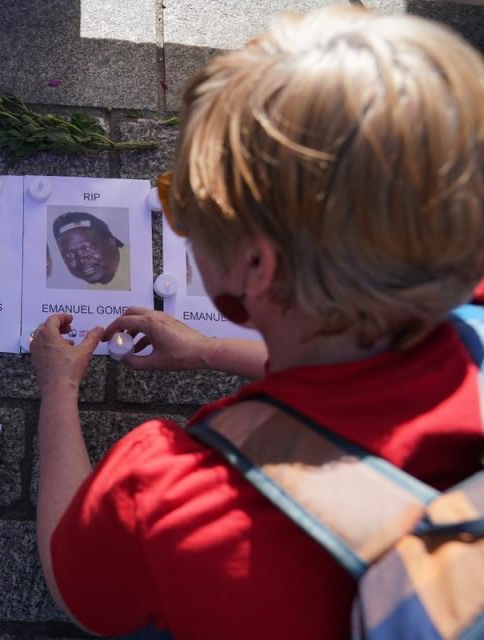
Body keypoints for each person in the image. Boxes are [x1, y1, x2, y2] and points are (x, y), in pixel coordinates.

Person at [30, 7, 484, 639]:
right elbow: (363, 382)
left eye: (183, 207)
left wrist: (58, 389)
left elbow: (71, 577)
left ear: (254, 264)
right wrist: (211, 350)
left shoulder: (176, 497)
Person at [51, 211, 129, 289]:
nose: (80, 260)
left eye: (87, 248)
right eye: (68, 255)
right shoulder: (91, 293)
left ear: (111, 241)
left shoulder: (137, 266)